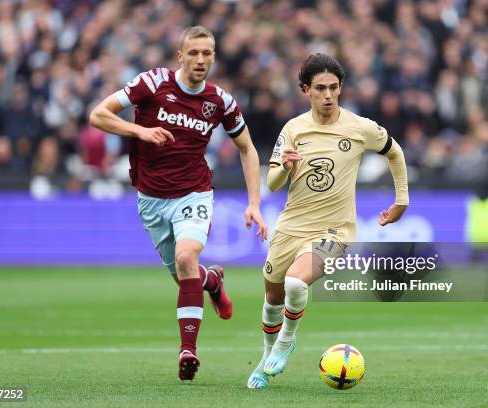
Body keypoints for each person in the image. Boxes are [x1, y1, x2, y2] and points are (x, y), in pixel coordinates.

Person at [89, 26, 268, 381]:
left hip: (194, 192)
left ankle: (189, 350)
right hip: (151, 198)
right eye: (194, 53)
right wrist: (140, 131)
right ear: (180, 56)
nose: (200, 60)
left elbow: (247, 149)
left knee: (187, 257)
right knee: (184, 276)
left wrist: (255, 203)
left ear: (214, 57)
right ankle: (212, 281)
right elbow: (98, 114)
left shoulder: (220, 102)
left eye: (207, 54)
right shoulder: (153, 84)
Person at [247, 54, 409, 389]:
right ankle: (264, 362)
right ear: (306, 89)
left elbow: (395, 152)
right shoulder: (293, 129)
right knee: (273, 297)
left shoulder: (359, 127)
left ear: (341, 88)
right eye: (320, 88)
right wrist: (285, 168)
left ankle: (286, 341)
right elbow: (274, 183)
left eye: (334, 87)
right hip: (290, 225)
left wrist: (401, 200)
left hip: (334, 230)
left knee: (295, 283)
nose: (328, 95)